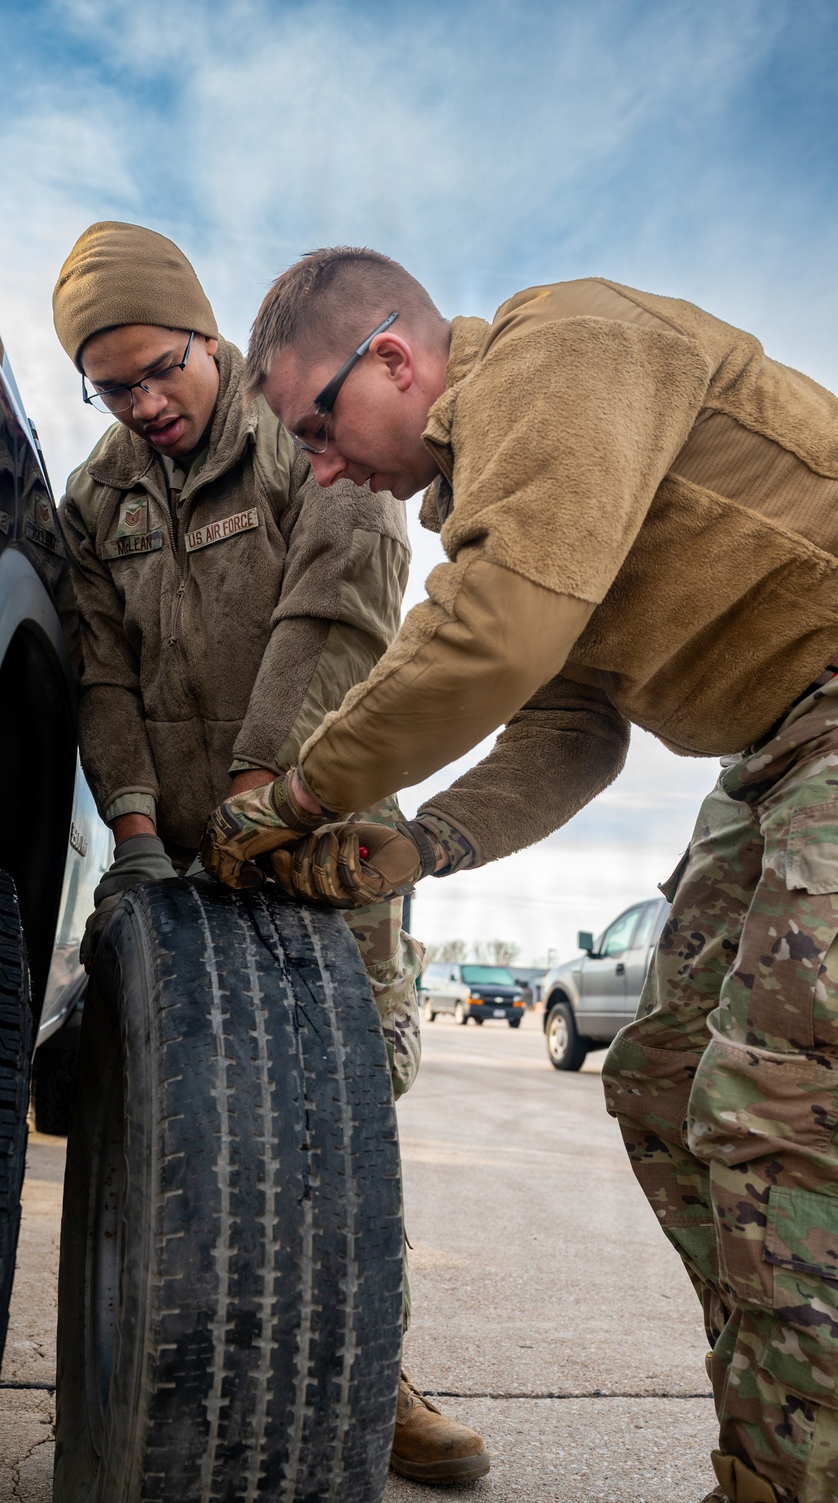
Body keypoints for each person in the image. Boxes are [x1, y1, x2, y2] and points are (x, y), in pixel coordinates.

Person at [202, 246, 838, 1503]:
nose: (320, 469)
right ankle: (788, 1440)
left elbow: (496, 631)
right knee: (658, 1083)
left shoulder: (563, 349)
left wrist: (295, 793)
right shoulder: (509, 490)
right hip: (771, 740)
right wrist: (423, 840)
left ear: (391, 357)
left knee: (774, 1119)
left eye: (316, 428)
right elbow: (570, 727)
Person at [51, 222, 490, 1484]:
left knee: (342, 1099)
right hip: (178, 859)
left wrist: (263, 790)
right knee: (178, 1115)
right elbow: (101, 671)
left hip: (317, 836)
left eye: (161, 371)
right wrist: (134, 831)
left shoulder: (309, 431)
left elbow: (340, 606)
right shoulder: (99, 496)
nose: (145, 404)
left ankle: (360, 1369)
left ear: (209, 338)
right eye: (113, 386)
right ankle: (186, 1369)